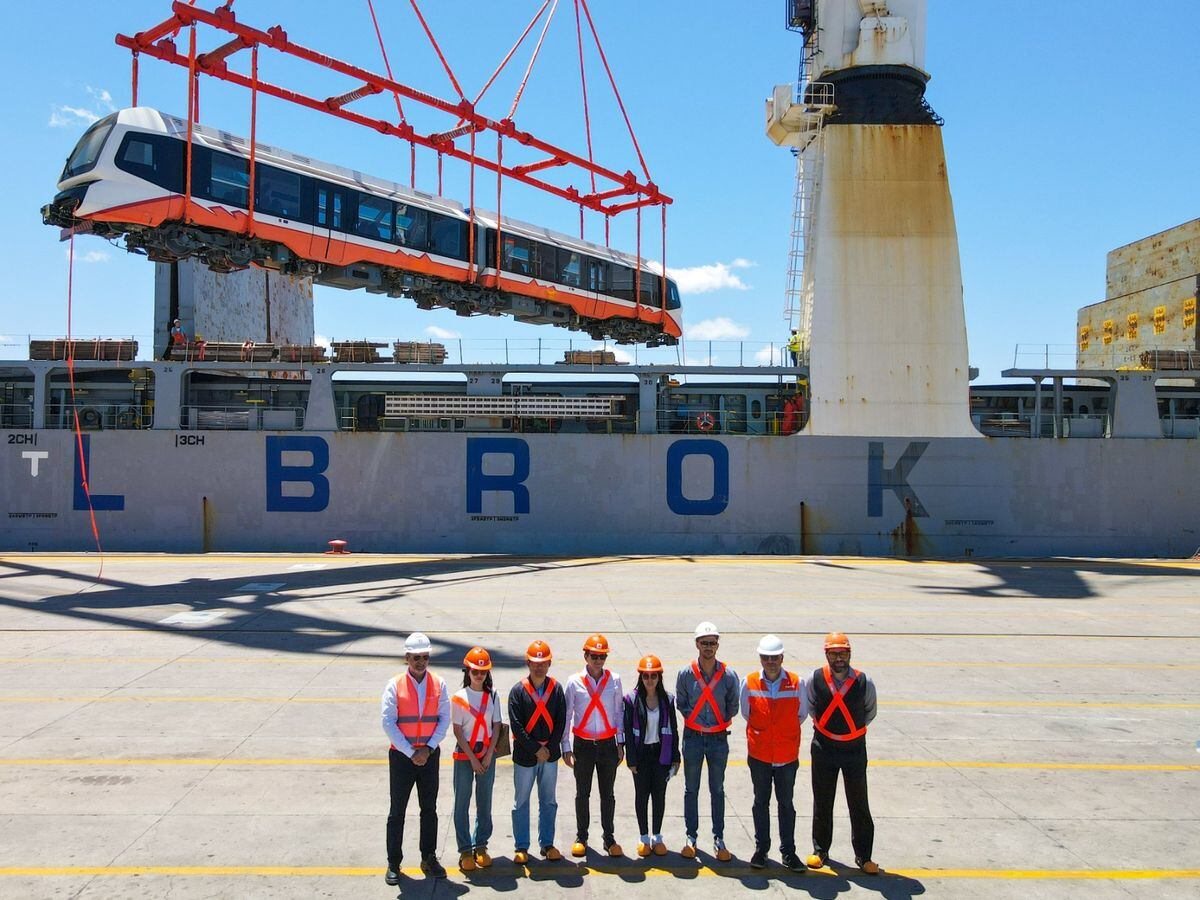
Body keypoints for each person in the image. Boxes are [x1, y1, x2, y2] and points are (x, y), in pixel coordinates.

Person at [807, 632, 880, 875]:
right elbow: (809, 706)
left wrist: (850, 733)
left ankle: (864, 856)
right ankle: (820, 851)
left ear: (850, 653)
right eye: (834, 653)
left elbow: (870, 711)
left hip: (854, 750)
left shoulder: (863, 681)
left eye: (843, 653)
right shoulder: (815, 678)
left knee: (859, 802)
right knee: (823, 800)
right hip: (824, 747)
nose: (839, 658)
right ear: (826, 654)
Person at [381, 632, 450, 884]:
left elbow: (444, 719)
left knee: (429, 809)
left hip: (429, 755)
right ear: (407, 657)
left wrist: (428, 749)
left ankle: (428, 857)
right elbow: (388, 723)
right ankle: (393, 863)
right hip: (402, 757)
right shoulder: (394, 685)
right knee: (397, 811)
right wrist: (412, 752)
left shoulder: (438, 684)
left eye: (425, 657)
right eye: (416, 657)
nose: (421, 662)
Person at [741, 634, 808, 872]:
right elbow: (746, 713)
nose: (771, 662)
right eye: (766, 658)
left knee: (786, 804)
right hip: (759, 755)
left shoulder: (797, 682)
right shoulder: (749, 682)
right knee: (760, 802)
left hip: (787, 756)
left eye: (775, 657)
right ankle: (762, 850)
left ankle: (788, 852)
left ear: (782, 657)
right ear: (760, 658)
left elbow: (802, 714)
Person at [674, 621, 739, 861]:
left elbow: (733, 704)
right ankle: (691, 837)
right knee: (691, 789)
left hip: (718, 740)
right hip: (693, 738)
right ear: (697, 644)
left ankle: (718, 837)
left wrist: (716, 724)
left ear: (717, 645)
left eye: (712, 643)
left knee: (717, 789)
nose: (708, 647)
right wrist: (697, 722)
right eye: (704, 643)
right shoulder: (685, 674)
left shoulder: (729, 675)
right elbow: (681, 702)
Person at [563, 633, 625, 858]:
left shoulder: (615, 680)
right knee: (583, 793)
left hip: (608, 744)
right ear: (585, 656)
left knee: (607, 794)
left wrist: (620, 742)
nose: (598, 661)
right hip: (583, 745)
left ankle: (609, 838)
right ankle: (582, 836)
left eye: (602, 656)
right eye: (594, 656)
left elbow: (619, 713)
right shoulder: (574, 682)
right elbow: (567, 714)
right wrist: (565, 746)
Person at [508, 639, 567, 864]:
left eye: (543, 662)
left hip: (549, 755)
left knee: (549, 800)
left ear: (549, 663)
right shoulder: (517, 691)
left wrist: (549, 748)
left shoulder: (556, 689)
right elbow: (516, 726)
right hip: (526, 756)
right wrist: (535, 749)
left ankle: (547, 844)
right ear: (528, 663)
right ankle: (521, 846)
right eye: (535, 662)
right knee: (521, 802)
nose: (539, 666)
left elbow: (561, 720)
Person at [451, 647, 504, 873]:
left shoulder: (493, 696)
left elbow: (497, 726)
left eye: (483, 671)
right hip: (465, 756)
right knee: (461, 802)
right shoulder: (459, 697)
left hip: (487, 755)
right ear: (468, 671)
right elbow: (457, 731)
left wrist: (489, 754)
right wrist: (472, 758)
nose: (479, 675)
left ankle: (480, 845)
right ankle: (465, 849)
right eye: (475, 671)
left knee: (485, 801)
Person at [623, 654, 681, 857]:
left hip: (660, 754)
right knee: (641, 796)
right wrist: (631, 759)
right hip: (641, 756)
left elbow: (673, 729)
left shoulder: (667, 699)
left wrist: (676, 757)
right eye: (646, 676)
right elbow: (628, 732)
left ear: (659, 677)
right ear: (640, 677)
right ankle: (644, 837)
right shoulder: (631, 700)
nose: (650, 680)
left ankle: (657, 836)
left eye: (653, 676)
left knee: (659, 796)